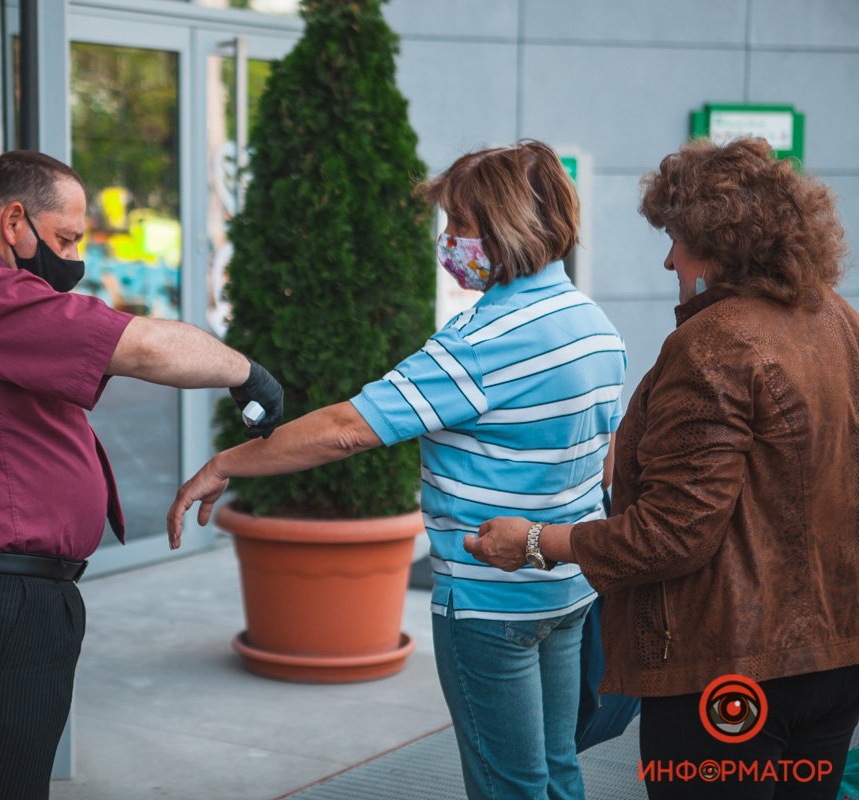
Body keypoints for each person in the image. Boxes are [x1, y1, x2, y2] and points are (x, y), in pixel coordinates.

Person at [169, 140, 626, 800]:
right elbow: (604, 452)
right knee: (557, 772)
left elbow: (347, 430)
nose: (448, 240)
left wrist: (226, 462)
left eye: (460, 225)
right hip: (568, 589)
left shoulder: (481, 343)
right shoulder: (594, 325)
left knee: (511, 786)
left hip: (487, 602)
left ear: (504, 228)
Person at [0, 149, 282, 800]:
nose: (74, 261)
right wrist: (247, 374)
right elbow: (140, 344)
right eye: (64, 240)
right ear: (13, 221)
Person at [468, 137, 859, 800]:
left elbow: (673, 535)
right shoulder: (837, 319)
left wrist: (534, 542)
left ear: (720, 245)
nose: (668, 256)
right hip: (834, 658)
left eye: (677, 237)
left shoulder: (712, 343)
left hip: (726, 673)